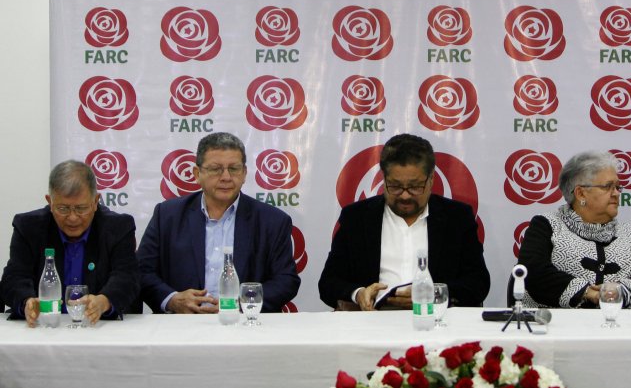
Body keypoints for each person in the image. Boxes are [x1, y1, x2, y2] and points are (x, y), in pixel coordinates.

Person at [319, 133, 490, 311]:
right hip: (372, 323)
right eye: (395, 186)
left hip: (436, 322)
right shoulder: (356, 217)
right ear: (383, 179)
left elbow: (478, 283)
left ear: (431, 179)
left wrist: (432, 294)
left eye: (415, 187)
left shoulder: (457, 217)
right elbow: (328, 283)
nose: (405, 195)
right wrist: (359, 293)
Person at [137, 132, 299, 313]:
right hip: (180, 324)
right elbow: (142, 272)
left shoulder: (272, 221)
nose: (226, 177)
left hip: (245, 325)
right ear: (197, 174)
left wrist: (240, 304)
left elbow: (286, 280)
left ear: (244, 173)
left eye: (234, 169)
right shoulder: (167, 216)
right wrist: (172, 299)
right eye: (215, 169)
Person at [1, 160, 139, 327]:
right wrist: (26, 301)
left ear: (96, 202)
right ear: (50, 202)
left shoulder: (118, 227)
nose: (73, 218)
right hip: (44, 327)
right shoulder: (28, 227)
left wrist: (104, 301)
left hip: (98, 328)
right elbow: (14, 277)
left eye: (81, 208)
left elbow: (127, 277)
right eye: (63, 209)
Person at [517, 151, 631, 309]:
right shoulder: (546, 225)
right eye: (608, 187)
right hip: (556, 329)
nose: (616, 193)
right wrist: (586, 292)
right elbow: (533, 273)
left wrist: (619, 292)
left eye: (617, 187)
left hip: (619, 329)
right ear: (581, 193)